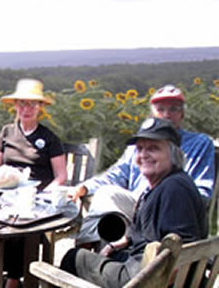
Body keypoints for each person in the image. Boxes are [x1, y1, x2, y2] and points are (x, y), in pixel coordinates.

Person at [60, 117, 208, 287]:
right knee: (106, 252)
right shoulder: (167, 183)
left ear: (173, 153)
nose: (144, 155)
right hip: (143, 265)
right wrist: (120, 244)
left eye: (153, 148)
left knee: (74, 258)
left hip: (145, 279)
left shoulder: (174, 190)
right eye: (139, 149)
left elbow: (182, 251)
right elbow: (150, 233)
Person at [71, 84, 216, 248]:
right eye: (161, 109)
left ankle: (96, 255)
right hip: (137, 205)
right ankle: (97, 252)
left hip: (171, 213)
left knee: (108, 200)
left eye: (173, 109)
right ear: (152, 113)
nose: (166, 115)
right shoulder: (140, 143)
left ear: (182, 114)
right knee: (107, 202)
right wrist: (84, 187)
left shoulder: (198, 144)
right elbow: (116, 176)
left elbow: (203, 192)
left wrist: (164, 199)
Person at [0, 78, 68, 288]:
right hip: (5, 193)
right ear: (15, 106)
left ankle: (13, 280)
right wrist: (3, 177)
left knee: (19, 228)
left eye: (32, 103)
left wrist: (44, 195)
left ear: (41, 107)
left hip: (34, 200)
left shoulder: (49, 138)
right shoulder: (6, 132)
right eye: (22, 103)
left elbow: (61, 176)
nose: (26, 108)